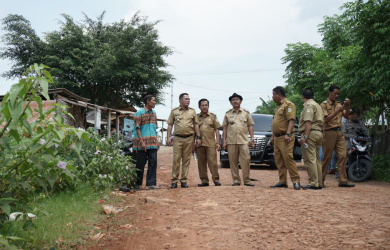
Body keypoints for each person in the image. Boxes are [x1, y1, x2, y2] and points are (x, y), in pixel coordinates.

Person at [321, 85, 355, 188]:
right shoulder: (323, 105)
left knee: (343, 156)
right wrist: (337, 111)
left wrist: (347, 106)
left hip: (339, 132)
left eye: (338, 94)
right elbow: (326, 119)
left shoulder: (339, 104)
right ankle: (320, 180)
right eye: (335, 93)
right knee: (327, 157)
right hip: (328, 132)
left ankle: (343, 181)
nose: (336, 95)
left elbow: (346, 116)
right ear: (329, 93)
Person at [167, 93, 201, 188]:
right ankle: (174, 181)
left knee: (186, 160)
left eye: (189, 99)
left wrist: (198, 137)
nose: (188, 100)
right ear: (180, 100)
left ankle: (184, 181)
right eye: (186, 99)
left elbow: (196, 125)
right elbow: (170, 124)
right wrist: (168, 137)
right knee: (176, 159)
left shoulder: (192, 111)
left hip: (189, 138)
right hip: (177, 138)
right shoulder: (174, 111)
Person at [269, 86, 301, 190]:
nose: (273, 97)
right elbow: (276, 123)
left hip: (285, 136)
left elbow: (291, 120)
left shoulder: (289, 105)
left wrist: (288, 134)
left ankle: (296, 181)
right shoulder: (277, 107)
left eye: (273, 94)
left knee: (288, 158)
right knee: (279, 160)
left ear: (279, 94)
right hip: (277, 138)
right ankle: (282, 181)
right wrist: (273, 136)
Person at [222, 93, 255, 186]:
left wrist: (252, 138)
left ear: (240, 101)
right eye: (233, 100)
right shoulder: (227, 114)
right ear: (230, 102)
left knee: (246, 160)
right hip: (231, 141)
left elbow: (250, 126)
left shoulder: (246, 113)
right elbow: (225, 127)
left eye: (237, 99)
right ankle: (236, 180)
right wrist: (224, 141)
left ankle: (247, 180)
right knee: (233, 161)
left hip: (244, 141)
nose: (235, 101)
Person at [298, 88, 324, 189]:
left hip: (311, 134)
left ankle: (313, 183)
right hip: (319, 133)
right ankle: (319, 182)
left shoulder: (308, 106)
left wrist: (305, 136)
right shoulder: (318, 105)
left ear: (303, 97)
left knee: (310, 159)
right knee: (316, 159)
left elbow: (308, 122)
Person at [133, 93, 160, 190]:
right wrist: (141, 142)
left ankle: (151, 184)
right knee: (140, 163)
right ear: (148, 101)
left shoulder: (154, 113)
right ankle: (137, 183)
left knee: (153, 162)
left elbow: (155, 128)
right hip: (142, 144)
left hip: (152, 143)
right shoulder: (139, 113)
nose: (155, 102)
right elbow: (137, 128)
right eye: (153, 100)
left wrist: (157, 142)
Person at [196, 99, 222, 187]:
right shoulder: (196, 117)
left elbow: (217, 130)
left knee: (213, 163)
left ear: (208, 106)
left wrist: (218, 142)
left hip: (211, 143)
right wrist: (193, 143)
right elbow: (193, 131)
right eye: (202, 105)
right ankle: (204, 180)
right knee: (201, 163)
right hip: (200, 144)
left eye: (206, 105)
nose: (204, 107)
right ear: (199, 107)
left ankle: (216, 180)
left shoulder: (213, 116)